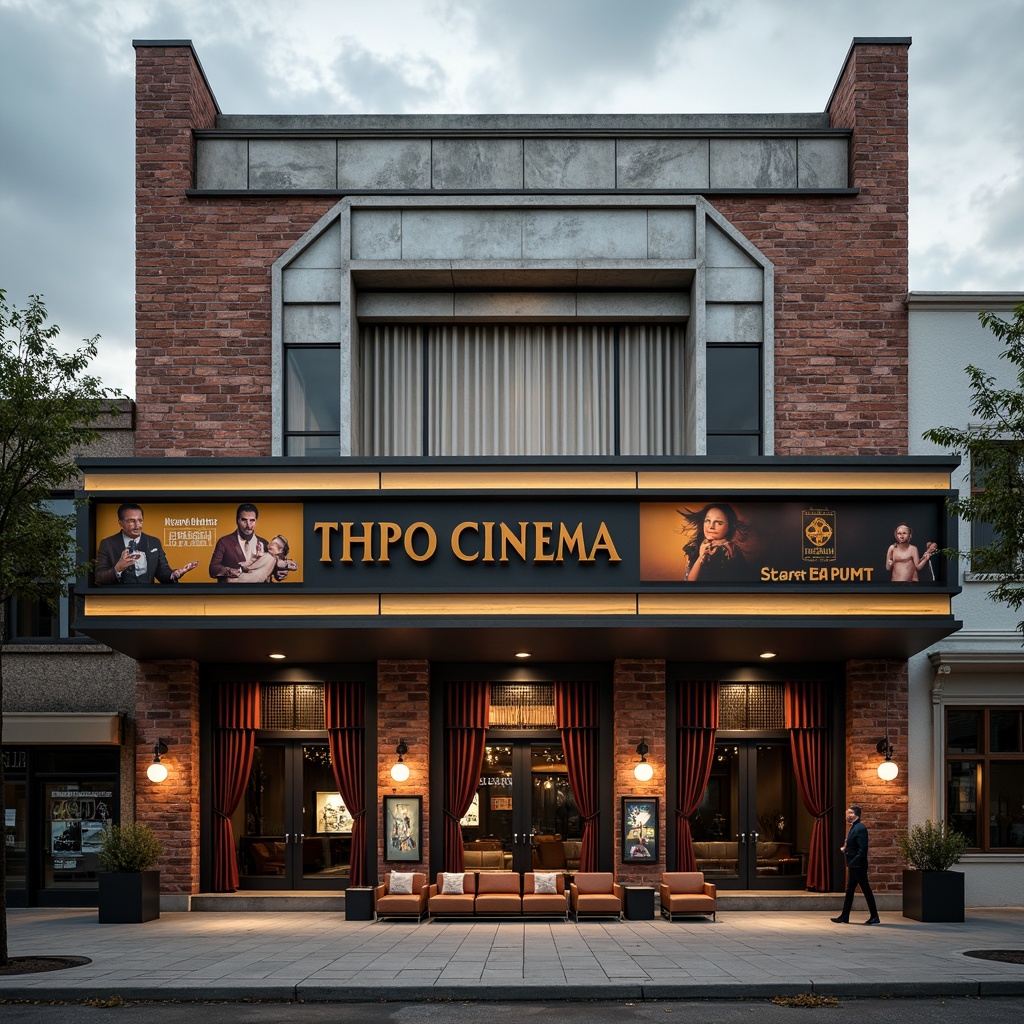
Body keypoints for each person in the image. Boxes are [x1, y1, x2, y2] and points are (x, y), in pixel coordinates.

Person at [95, 503, 199, 585]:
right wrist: (118, 568)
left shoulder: (154, 542)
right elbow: (99, 578)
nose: (137, 526)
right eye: (132, 521)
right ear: (120, 523)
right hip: (118, 600)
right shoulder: (108, 544)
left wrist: (176, 573)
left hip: (148, 599)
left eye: (140, 521)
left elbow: (162, 572)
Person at [831, 805, 880, 925]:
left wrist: (852, 863)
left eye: (851, 813)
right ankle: (845, 916)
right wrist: (845, 850)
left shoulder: (860, 828)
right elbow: (854, 847)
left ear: (857, 815)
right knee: (850, 890)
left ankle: (874, 916)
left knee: (865, 890)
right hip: (855, 865)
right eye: (847, 813)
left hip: (858, 866)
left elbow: (863, 850)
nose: (848, 815)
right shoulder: (854, 827)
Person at [680, 503, 751, 581]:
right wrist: (701, 556)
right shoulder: (694, 548)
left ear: (729, 527)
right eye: (707, 521)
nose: (711, 526)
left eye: (719, 523)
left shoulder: (729, 551)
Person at [209, 503, 269, 581]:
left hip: (258, 592)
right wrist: (231, 571)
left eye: (252, 520)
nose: (248, 525)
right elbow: (213, 569)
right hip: (232, 592)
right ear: (237, 521)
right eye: (244, 520)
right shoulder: (224, 542)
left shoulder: (264, 543)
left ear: (256, 521)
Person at [226, 534, 299, 584]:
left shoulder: (273, 558)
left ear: (281, 550)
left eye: (273, 544)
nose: (268, 545)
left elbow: (281, 565)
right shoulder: (266, 554)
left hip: (252, 579)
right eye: (271, 543)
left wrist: (286, 565)